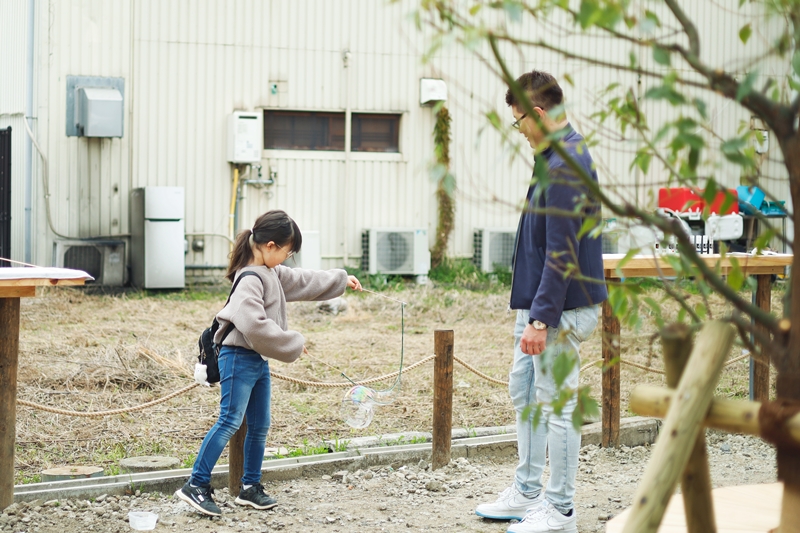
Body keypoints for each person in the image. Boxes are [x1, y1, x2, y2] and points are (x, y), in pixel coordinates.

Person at [475, 71, 607, 533]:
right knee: (525, 390)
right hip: (538, 305)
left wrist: (541, 320)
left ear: (537, 113)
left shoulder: (567, 163)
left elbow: (562, 250)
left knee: (556, 404)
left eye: (519, 122)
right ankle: (527, 491)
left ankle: (561, 509)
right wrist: (531, 313)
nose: (520, 132)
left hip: (560, 309)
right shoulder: (551, 156)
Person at [175, 209, 362, 517]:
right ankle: (195, 484)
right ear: (271, 245)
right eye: (287, 252)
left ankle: (250, 487)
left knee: (260, 425)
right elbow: (254, 326)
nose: (288, 259)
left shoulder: (270, 271)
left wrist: (340, 279)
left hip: (258, 358)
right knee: (229, 421)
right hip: (238, 357)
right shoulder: (250, 278)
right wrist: (292, 343)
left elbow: (303, 280)